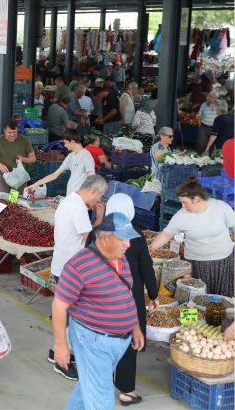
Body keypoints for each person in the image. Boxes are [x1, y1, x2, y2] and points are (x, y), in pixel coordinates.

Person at [53, 212, 145, 410]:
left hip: (120, 340)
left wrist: (135, 327)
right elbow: (59, 305)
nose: (128, 245)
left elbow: (127, 293)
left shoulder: (121, 258)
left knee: (88, 389)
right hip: (93, 341)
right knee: (102, 401)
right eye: (123, 239)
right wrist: (61, 346)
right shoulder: (79, 265)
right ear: (104, 238)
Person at [84, 194, 159, 406]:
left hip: (99, 295)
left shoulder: (96, 233)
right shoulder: (136, 235)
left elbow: (86, 263)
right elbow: (146, 267)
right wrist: (153, 295)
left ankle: (101, 386)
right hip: (128, 297)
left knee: (101, 341)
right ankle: (127, 391)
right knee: (128, 342)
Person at [45, 175, 107, 379]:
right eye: (100, 197)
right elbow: (91, 241)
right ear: (94, 191)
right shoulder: (78, 207)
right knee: (73, 319)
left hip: (63, 266)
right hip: (71, 271)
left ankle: (56, 353)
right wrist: (100, 217)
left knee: (67, 316)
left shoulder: (68, 200)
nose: (98, 202)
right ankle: (63, 362)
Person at [149, 177, 234, 297]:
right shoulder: (181, 216)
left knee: (224, 299)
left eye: (185, 202)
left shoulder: (220, 207)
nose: (183, 206)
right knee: (199, 299)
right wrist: (152, 246)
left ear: (197, 199)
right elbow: (167, 233)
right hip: (196, 264)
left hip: (223, 262)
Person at [27, 129, 95, 196]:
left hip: (81, 198)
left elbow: (92, 177)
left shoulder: (86, 157)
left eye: (66, 143)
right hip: (70, 196)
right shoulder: (71, 156)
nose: (65, 145)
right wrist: (36, 184)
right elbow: (54, 175)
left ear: (72, 142)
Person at [0, 120, 36, 193]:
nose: (12, 135)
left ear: (17, 129)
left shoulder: (24, 140)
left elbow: (33, 158)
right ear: (4, 130)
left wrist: (23, 159)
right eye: (10, 132)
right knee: (2, 201)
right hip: (3, 177)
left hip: (20, 178)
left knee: (18, 201)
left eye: (14, 132)